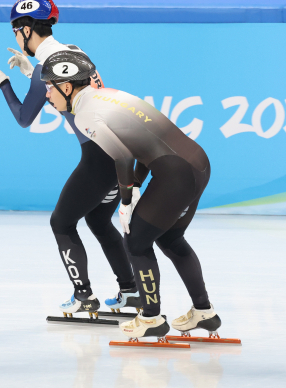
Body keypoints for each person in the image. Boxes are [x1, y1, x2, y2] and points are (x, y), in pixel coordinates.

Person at [0, 0, 142, 317]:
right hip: (117, 152)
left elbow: (25, 117)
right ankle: (131, 291)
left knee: (61, 223)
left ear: (26, 30)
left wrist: (3, 83)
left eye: (15, 31)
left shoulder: (46, 68)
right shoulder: (75, 51)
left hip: (98, 157)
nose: (14, 38)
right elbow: (68, 97)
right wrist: (33, 74)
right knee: (96, 220)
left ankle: (84, 296)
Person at [40, 50, 221, 339]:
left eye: (49, 86)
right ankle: (204, 312)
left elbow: (122, 158)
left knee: (136, 241)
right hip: (198, 162)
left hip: (174, 173)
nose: (47, 95)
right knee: (171, 238)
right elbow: (144, 142)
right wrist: (134, 187)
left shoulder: (85, 114)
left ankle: (151, 318)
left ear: (66, 86)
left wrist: (126, 202)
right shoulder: (110, 94)